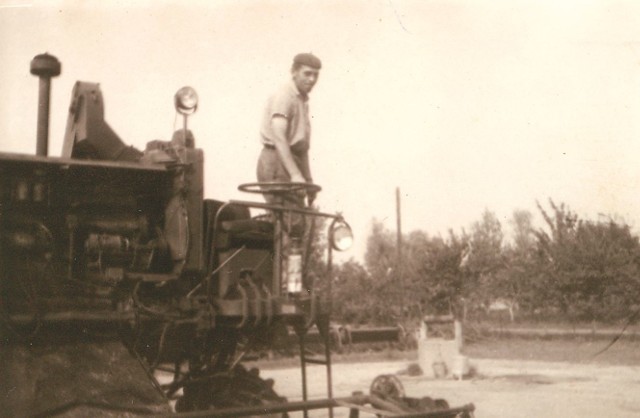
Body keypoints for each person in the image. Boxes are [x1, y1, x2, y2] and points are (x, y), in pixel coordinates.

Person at [256, 52, 322, 219]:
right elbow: (279, 135)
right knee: (290, 223)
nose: (312, 79)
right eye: (307, 73)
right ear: (294, 72)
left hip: (291, 161)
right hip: (277, 161)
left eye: (316, 75)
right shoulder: (285, 95)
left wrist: (308, 180)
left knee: (295, 222)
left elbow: (302, 147)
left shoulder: (302, 100)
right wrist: (295, 174)